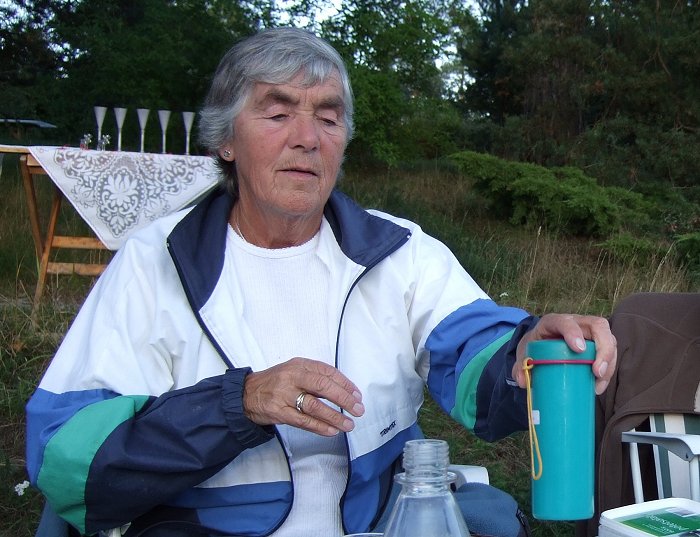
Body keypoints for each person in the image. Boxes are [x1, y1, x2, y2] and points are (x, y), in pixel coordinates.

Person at [25, 27, 616, 537]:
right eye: (278, 113)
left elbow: (473, 351)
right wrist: (239, 403)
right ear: (225, 141)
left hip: (377, 524)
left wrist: (523, 352)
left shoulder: (397, 253)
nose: (307, 137)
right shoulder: (155, 263)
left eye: (328, 118)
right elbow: (65, 458)